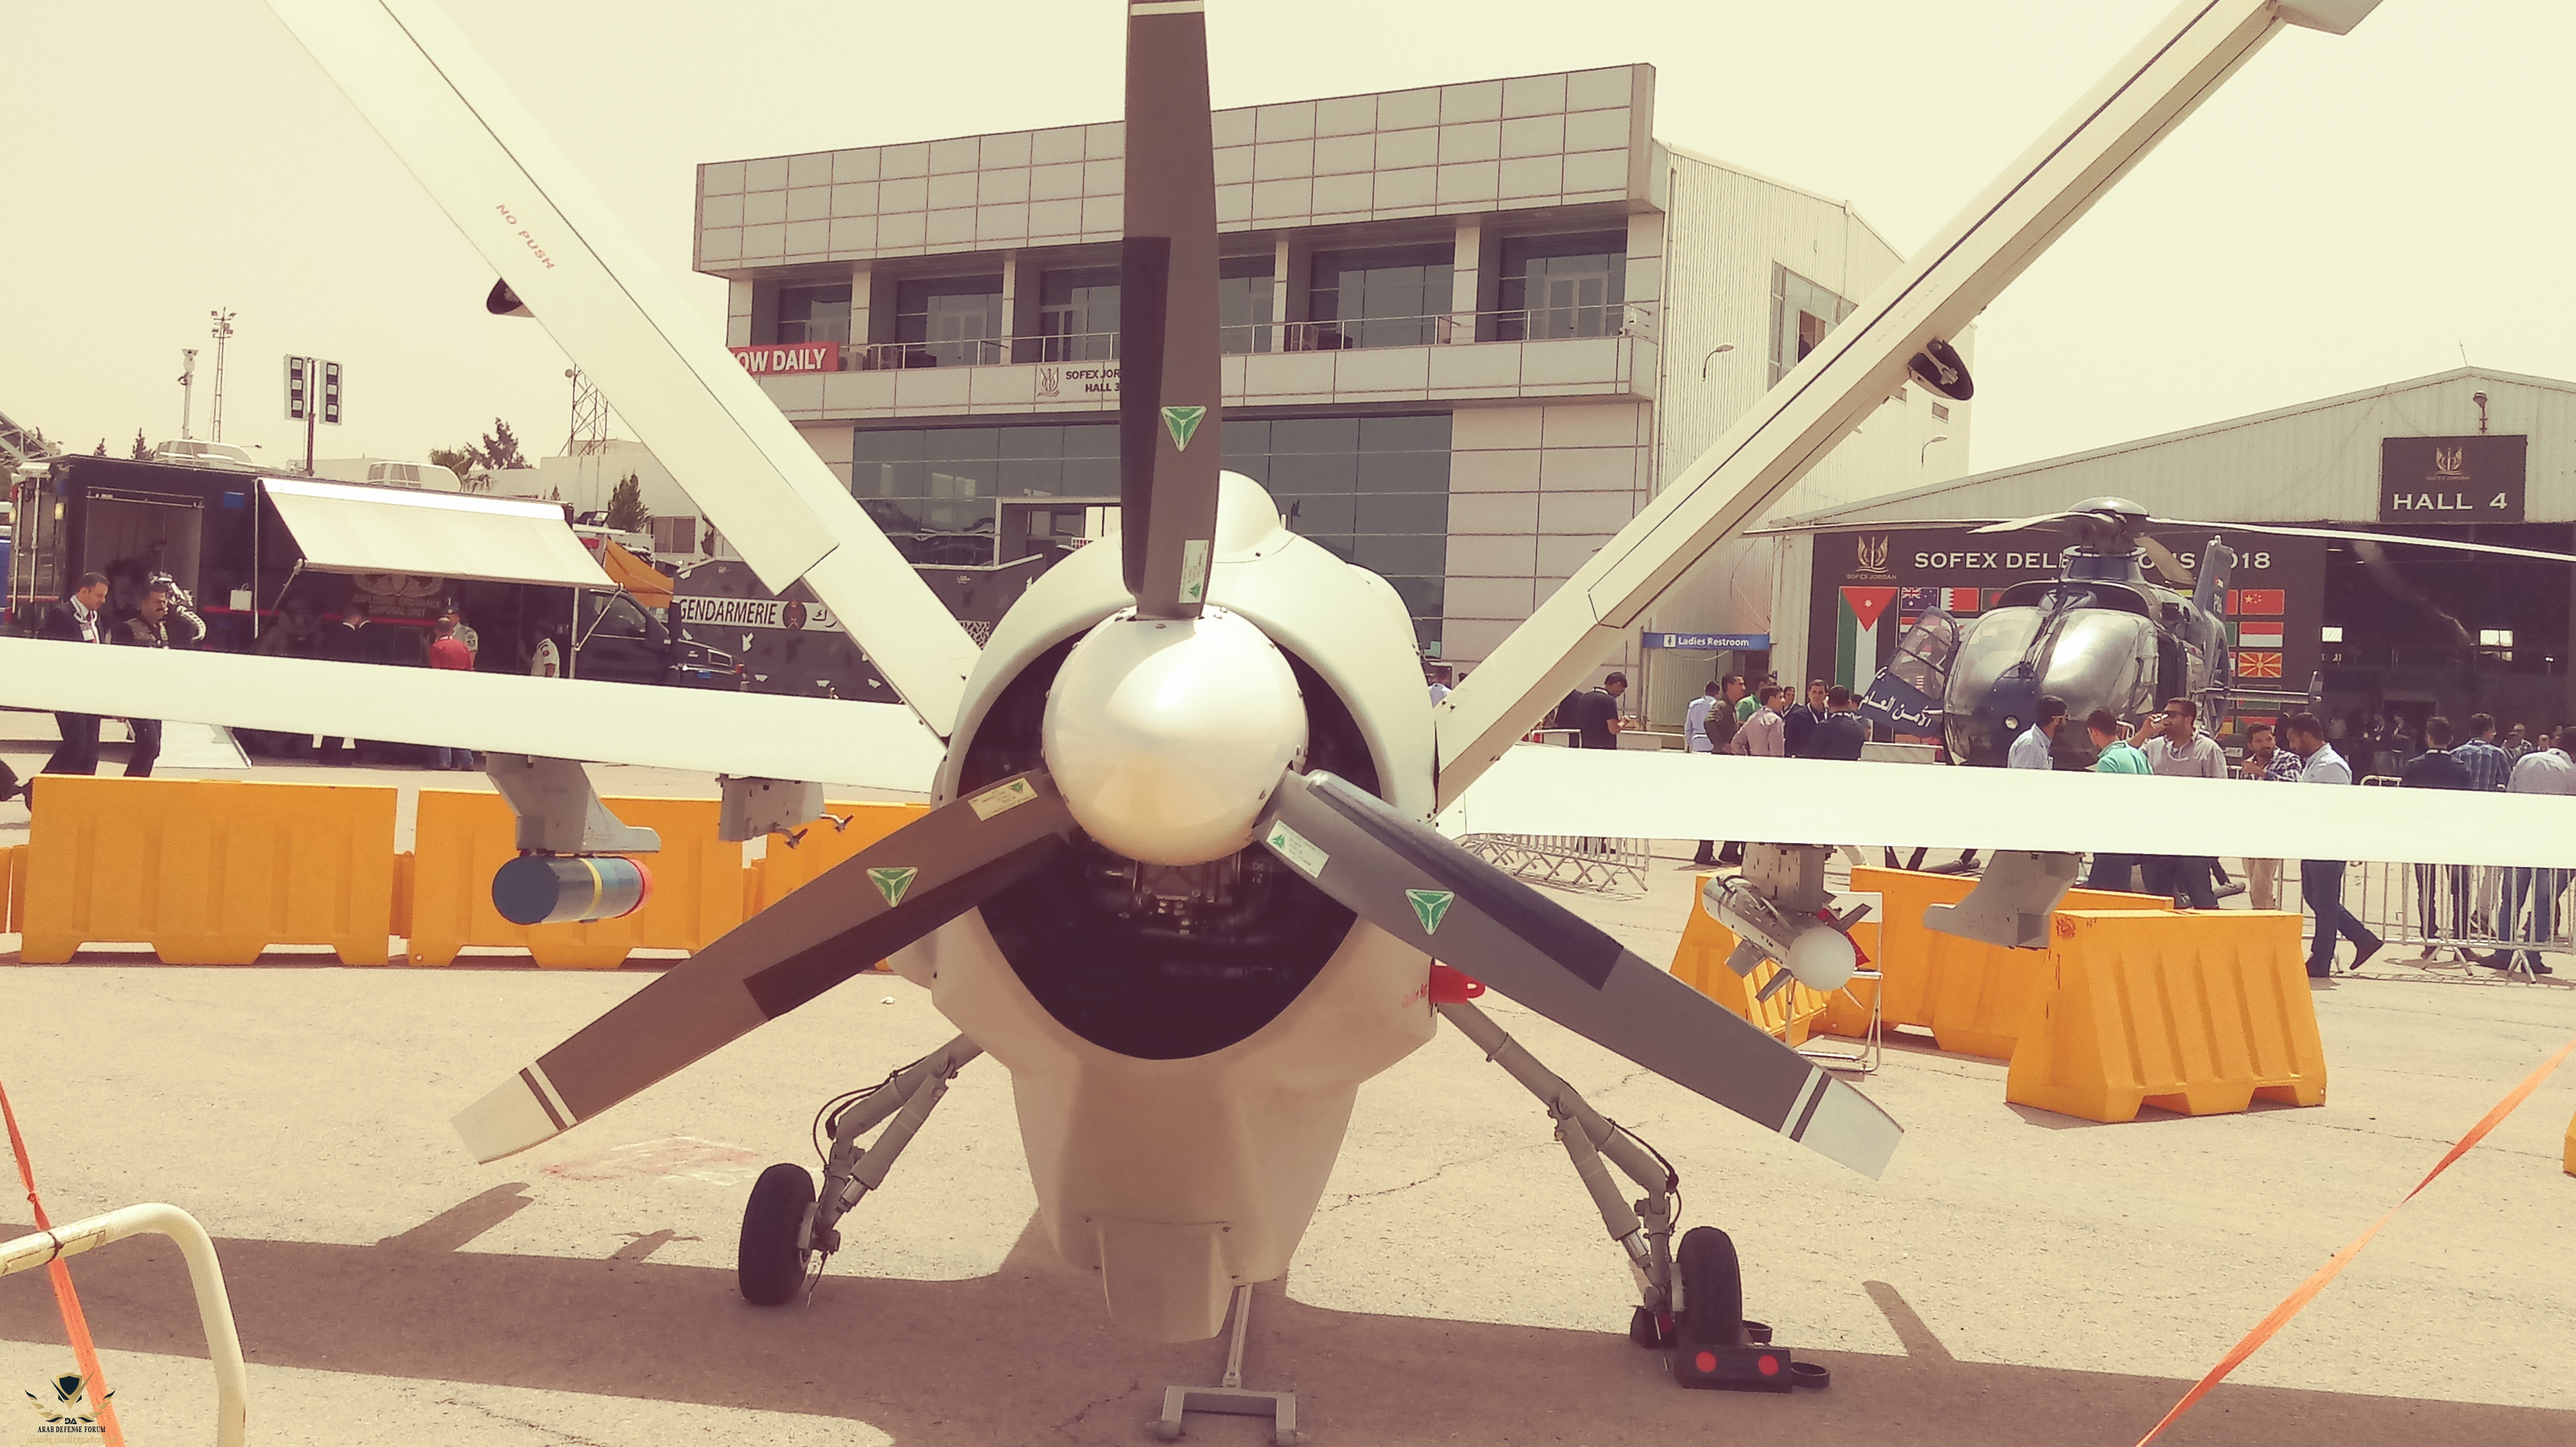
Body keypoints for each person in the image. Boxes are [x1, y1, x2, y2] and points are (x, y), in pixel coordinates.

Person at [2286, 712, 2382, 978]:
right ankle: (2363, 938)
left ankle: (2321, 959)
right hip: (2312, 840)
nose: (2292, 746)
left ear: (2306, 736)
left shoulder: (2331, 766)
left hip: (2328, 841)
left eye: (2294, 740)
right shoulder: (2314, 763)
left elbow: (2337, 808)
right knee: (2315, 897)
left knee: (2325, 902)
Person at [2489, 726, 2576, 976]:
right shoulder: (2571, 772)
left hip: (2519, 839)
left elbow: (2511, 795)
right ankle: (2533, 955)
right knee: (2544, 901)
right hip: (2551, 845)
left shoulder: (2526, 760)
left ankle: (2503, 952)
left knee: (2511, 899)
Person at [2137, 698, 2224, 909]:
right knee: (2158, 897)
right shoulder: (2153, 746)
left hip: (2192, 837)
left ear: (2188, 719)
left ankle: (2210, 930)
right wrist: (2144, 733)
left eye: (2172, 715)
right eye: (2165, 713)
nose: (2166, 719)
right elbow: (2126, 756)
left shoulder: (2208, 750)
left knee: (2200, 894)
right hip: (2158, 835)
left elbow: (2220, 795)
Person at [2398, 716, 2472, 940]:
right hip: (2454, 834)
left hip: (2423, 833)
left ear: (2428, 738)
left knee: (2426, 889)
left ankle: (2429, 936)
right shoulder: (2461, 769)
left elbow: (2406, 803)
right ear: (2450, 739)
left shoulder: (2413, 766)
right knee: (2460, 889)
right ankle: (2461, 937)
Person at [110, 580, 187, 778]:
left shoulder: (162, 628)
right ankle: (129, 788)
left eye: (165, 601)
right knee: (148, 745)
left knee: (154, 749)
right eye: (158, 602)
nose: (163, 606)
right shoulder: (128, 629)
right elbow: (119, 668)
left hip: (156, 698)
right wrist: (119, 702)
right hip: (135, 697)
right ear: (144, 603)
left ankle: (138, 787)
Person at [38, 572, 111, 778]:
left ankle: (81, 791)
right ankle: (39, 787)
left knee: (91, 752)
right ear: (84, 591)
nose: (103, 601)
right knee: (76, 745)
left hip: (91, 691)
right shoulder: (61, 614)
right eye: (99, 595)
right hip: (69, 691)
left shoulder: (95, 618)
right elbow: (54, 655)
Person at [1714, 685, 1789, 867]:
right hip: (1767, 771)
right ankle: (1754, 853)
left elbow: (1736, 743)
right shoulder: (1775, 721)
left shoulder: (1753, 717)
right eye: (1780, 697)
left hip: (1753, 769)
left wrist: (1746, 759)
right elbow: (1777, 752)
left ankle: (1731, 848)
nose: (1783, 701)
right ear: (1771, 699)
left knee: (1746, 811)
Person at [2237, 720, 2301, 910]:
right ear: (2251, 745)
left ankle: (2262, 919)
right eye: (2259, 741)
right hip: (2251, 827)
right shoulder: (2249, 765)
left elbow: (2294, 785)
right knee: (2255, 880)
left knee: (2261, 883)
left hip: (2274, 828)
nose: (2266, 744)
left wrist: (2263, 773)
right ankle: (2268, 914)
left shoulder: (2289, 760)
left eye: (2269, 739)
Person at [2084, 710, 2151, 891]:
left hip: (2114, 837)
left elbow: (2105, 804)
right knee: (2102, 888)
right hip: (2137, 832)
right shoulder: (2137, 755)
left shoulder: (2108, 762)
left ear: (2094, 732)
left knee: (2111, 891)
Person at [426, 617, 478, 770]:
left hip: (444, 691)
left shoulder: (437, 647)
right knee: (460, 725)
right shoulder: (462, 646)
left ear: (436, 631)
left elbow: (436, 672)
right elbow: (470, 668)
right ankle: (467, 761)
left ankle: (445, 761)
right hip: (461, 691)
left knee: (444, 724)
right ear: (451, 630)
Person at [1686, 680, 1725, 867]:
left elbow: (1688, 727)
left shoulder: (1694, 704)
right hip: (1711, 745)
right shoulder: (1718, 707)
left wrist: (1690, 742)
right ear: (1717, 693)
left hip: (1696, 743)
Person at [1798, 685, 1867, 761]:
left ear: (1828, 703)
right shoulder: (1859, 728)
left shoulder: (1824, 727)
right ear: (1848, 703)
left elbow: (1810, 755)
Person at [1564, 672, 1627, 750]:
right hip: (1606, 748)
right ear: (1618, 684)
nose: (1619, 694)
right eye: (1621, 691)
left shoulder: (1584, 698)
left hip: (1586, 746)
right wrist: (1623, 723)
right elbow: (1613, 730)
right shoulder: (1608, 700)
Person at [2009, 695, 2066, 771]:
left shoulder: (2039, 743)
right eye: (2066, 718)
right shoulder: (2030, 745)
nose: (2066, 722)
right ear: (2056, 720)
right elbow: (2022, 777)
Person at [1782, 680, 1829, 759]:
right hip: (1804, 760)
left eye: (1820, 693)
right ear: (1809, 693)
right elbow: (1789, 743)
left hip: (1825, 760)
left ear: (1826, 695)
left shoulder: (1830, 715)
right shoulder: (1797, 715)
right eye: (1814, 692)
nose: (1817, 696)